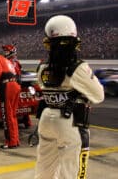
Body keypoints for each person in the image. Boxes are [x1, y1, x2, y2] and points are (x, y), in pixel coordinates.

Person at [35, 15, 104, 179]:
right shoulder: (78, 67)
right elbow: (98, 95)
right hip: (69, 121)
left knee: (44, 167)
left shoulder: (42, 67)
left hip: (46, 118)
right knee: (70, 171)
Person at [2, 44, 32, 128]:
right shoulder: (14, 60)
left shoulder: (12, 61)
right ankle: (27, 122)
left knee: (15, 106)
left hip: (14, 84)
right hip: (18, 84)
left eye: (7, 51)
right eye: (5, 51)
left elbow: (14, 73)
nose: (5, 53)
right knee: (21, 104)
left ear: (11, 52)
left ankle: (16, 123)